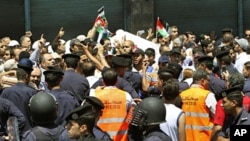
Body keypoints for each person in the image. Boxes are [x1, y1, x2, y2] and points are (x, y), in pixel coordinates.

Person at [89, 68, 134, 141]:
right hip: (120, 138)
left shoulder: (94, 94)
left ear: (103, 81)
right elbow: (133, 112)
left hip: (100, 137)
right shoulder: (126, 96)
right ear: (116, 81)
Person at [1, 58, 38, 133]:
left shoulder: (6, 92)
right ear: (27, 76)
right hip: (29, 133)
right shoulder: (33, 92)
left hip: (10, 134)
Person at [180, 69, 217, 141]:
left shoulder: (182, 95)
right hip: (203, 137)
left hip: (185, 137)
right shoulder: (207, 95)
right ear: (202, 81)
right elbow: (216, 115)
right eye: (208, 81)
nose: (209, 83)